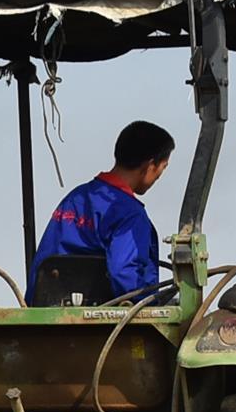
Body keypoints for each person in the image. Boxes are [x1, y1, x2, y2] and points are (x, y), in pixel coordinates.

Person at [29, 120, 174, 302]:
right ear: (150, 165)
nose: (160, 176)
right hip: (99, 320)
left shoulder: (75, 198)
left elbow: (44, 261)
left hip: (43, 309)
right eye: (163, 166)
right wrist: (152, 304)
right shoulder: (130, 214)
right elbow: (126, 277)